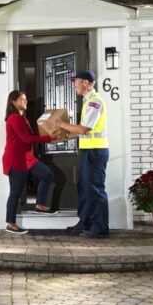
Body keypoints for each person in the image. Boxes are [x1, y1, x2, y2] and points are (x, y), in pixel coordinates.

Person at [57, 70, 110, 238]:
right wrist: (64, 137)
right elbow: (81, 132)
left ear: (86, 83)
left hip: (96, 151)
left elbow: (84, 129)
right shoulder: (88, 102)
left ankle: (100, 228)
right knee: (84, 188)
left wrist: (62, 124)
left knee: (95, 189)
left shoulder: (95, 102)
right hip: (89, 151)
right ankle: (85, 223)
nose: (74, 85)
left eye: (76, 82)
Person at [2, 90, 63, 234]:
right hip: (16, 161)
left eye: (25, 99)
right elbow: (26, 139)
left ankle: (40, 205)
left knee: (47, 175)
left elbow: (31, 135)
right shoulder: (14, 118)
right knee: (15, 194)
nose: (26, 102)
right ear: (14, 102)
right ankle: (10, 224)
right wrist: (48, 138)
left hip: (27, 159)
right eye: (22, 100)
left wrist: (50, 136)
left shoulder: (23, 118)